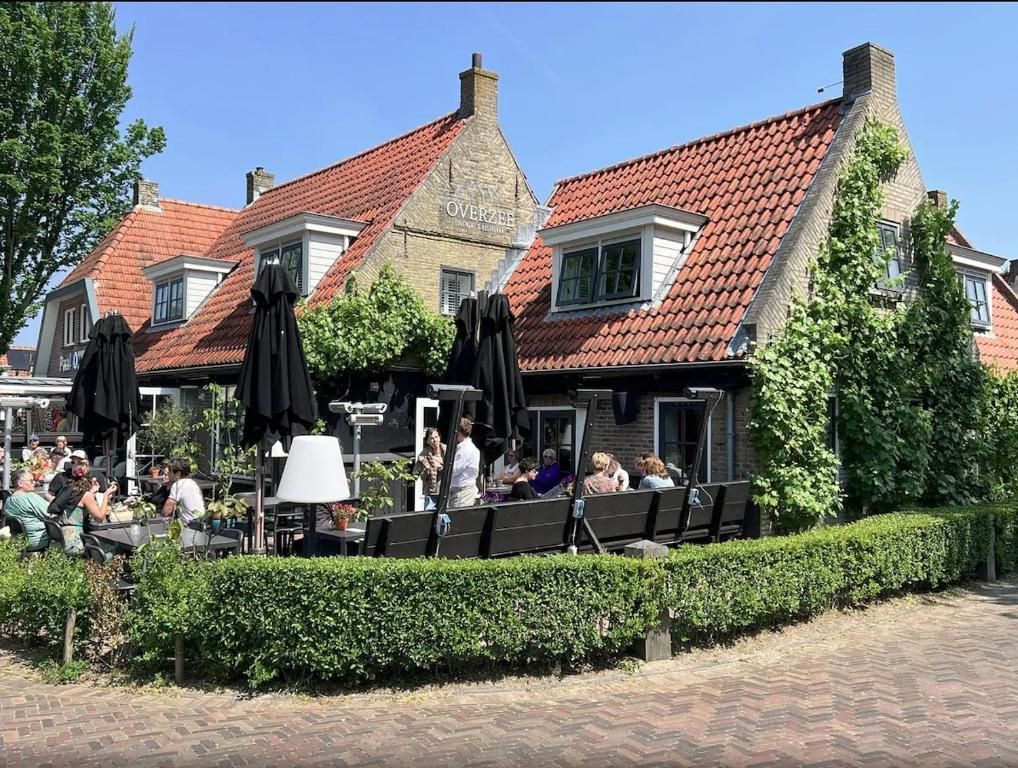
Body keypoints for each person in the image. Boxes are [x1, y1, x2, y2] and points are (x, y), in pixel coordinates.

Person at [55, 466, 116, 555]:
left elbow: (79, 501)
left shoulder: (68, 489)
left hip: (62, 538)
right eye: (94, 481)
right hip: (74, 542)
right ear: (88, 480)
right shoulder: (86, 495)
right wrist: (106, 496)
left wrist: (91, 492)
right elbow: (99, 517)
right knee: (111, 547)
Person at [4, 468, 52, 550]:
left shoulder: (8, 500)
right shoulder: (30, 497)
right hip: (37, 540)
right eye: (31, 481)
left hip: (18, 540)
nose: (34, 483)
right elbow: (50, 513)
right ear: (20, 483)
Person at [162, 457, 206, 524]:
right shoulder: (192, 483)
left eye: (170, 472)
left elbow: (167, 509)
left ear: (178, 474)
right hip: (201, 520)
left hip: (190, 525)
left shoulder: (178, 484)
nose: (168, 473)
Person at [449, 418, 480, 509]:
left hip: (462, 493)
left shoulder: (465, 450)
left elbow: (453, 471)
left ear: (459, 432)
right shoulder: (467, 447)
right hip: (461, 491)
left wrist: (441, 466)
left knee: (457, 521)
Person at [414, 427, 444, 510]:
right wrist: (427, 469)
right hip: (432, 492)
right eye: (431, 438)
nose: (435, 440)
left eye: (436, 437)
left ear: (440, 437)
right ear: (427, 441)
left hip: (446, 490)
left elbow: (454, 468)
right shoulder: (424, 453)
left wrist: (440, 467)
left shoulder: (447, 450)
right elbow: (419, 476)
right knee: (429, 515)